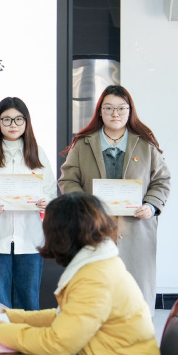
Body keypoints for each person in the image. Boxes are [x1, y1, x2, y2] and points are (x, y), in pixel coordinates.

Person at [0, 193, 176, 355]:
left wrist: (3, 331)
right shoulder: (98, 265)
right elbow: (65, 317)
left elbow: (58, 343)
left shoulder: (95, 278)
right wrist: (12, 318)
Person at [58, 85, 170, 312]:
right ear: (100, 111)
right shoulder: (83, 143)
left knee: (135, 297)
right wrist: (86, 205)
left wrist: (151, 205)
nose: (115, 113)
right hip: (94, 228)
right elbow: (67, 180)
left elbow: (162, 181)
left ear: (130, 111)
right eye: (108, 108)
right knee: (94, 296)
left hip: (136, 230)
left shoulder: (145, 143)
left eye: (121, 108)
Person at [0, 97, 56, 310]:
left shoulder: (38, 152)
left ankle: (26, 334)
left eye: (18, 119)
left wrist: (46, 201)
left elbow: (51, 191)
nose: (13, 125)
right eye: (6, 119)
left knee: (29, 304)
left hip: (30, 240)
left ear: (26, 122)